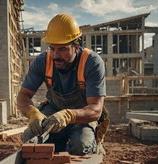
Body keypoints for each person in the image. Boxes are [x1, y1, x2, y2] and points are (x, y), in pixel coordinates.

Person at [17, 13, 109, 155]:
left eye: (62, 49)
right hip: (54, 111)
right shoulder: (42, 62)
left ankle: (92, 142)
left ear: (76, 47)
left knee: (80, 146)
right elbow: (23, 95)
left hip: (82, 115)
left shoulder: (92, 63)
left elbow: (96, 109)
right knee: (30, 138)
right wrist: (32, 113)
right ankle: (59, 142)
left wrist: (68, 116)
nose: (55, 55)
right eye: (52, 48)